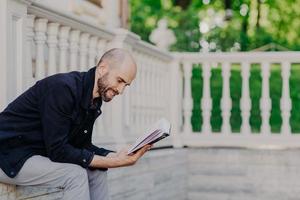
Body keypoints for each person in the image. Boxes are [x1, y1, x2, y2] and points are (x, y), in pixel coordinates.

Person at [0, 48, 151, 200]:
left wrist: (114, 155)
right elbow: (58, 150)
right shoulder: (63, 88)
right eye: (119, 81)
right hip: (8, 154)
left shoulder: (93, 99)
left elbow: (81, 146)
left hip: (32, 153)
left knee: (97, 171)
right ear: (102, 68)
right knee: (74, 175)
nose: (121, 90)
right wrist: (116, 162)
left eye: (126, 85)